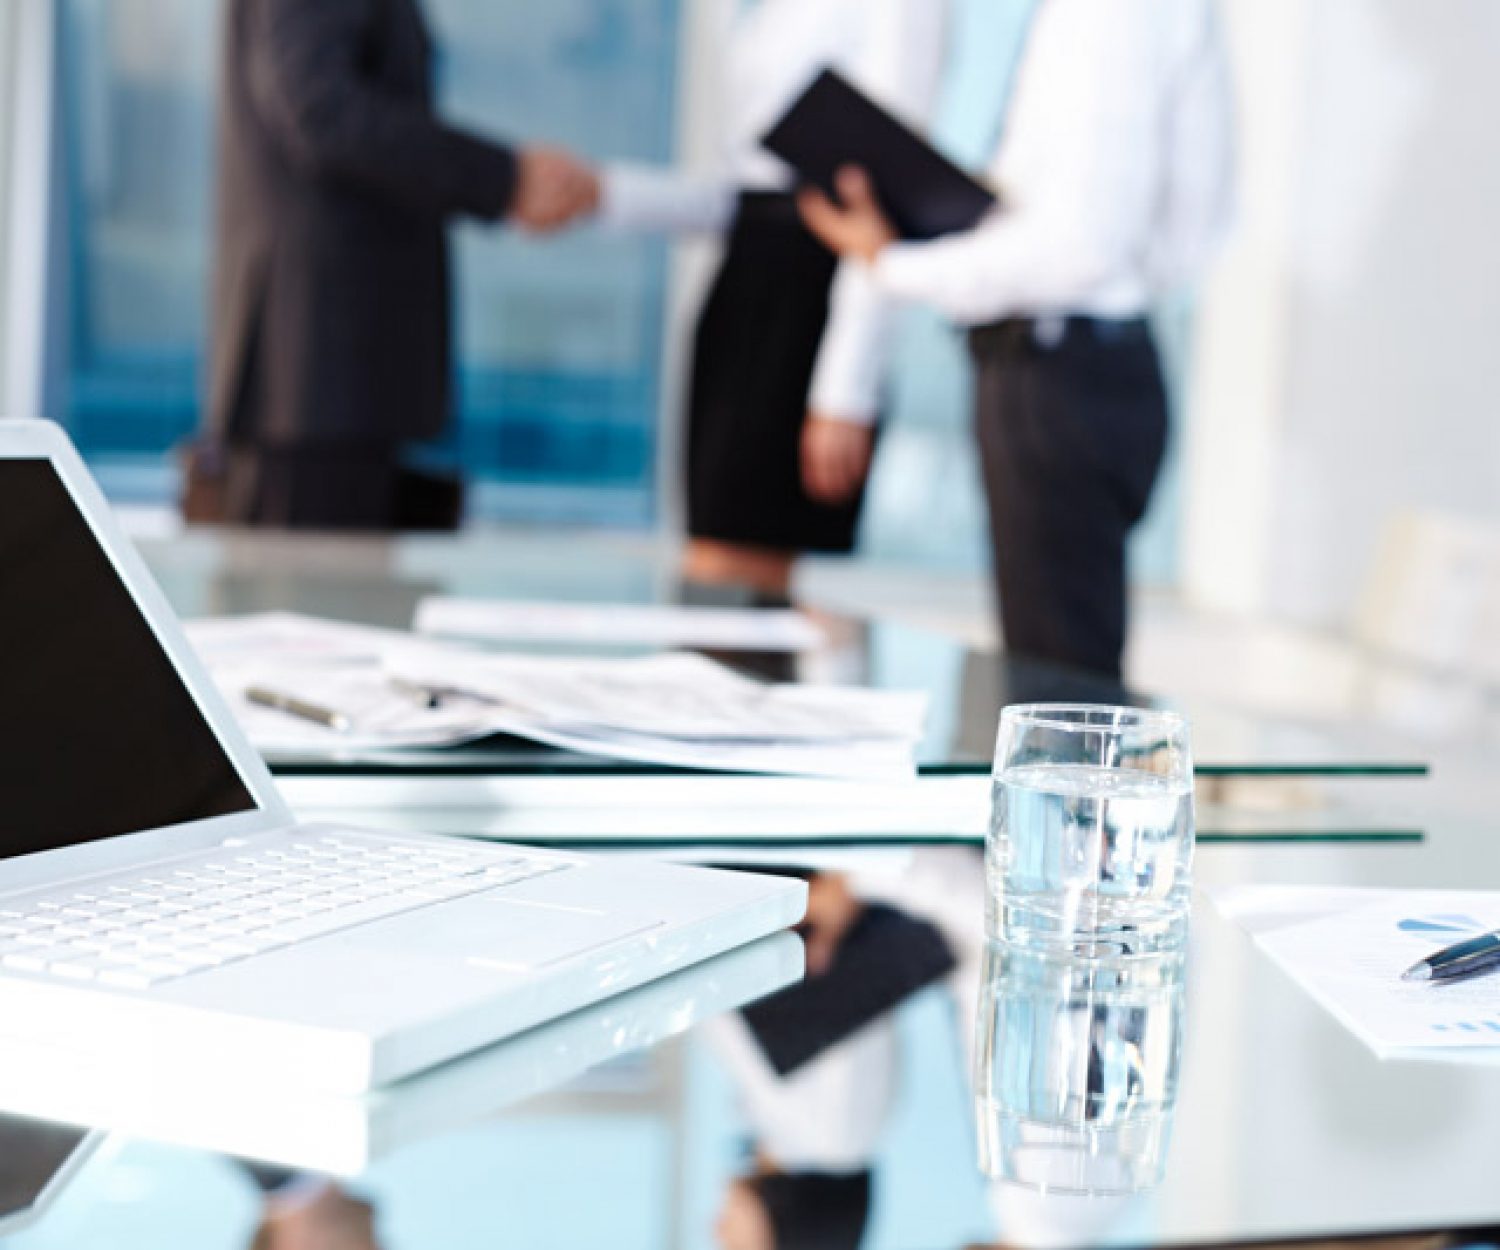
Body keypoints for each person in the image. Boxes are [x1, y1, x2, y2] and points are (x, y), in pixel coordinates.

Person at [801, 0, 1234, 677]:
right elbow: (1186, 227)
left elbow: (1082, 247)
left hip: (1058, 373)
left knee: (1060, 698)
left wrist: (893, 262)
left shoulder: (1109, 16)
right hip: (1081, 360)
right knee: (1057, 681)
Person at [596, 0, 950, 594]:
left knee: (743, 575)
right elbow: (751, 190)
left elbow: (878, 197)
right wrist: (607, 194)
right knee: (713, 561)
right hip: (745, 278)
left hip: (812, 295)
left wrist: (845, 387)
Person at [201, 0, 597, 530]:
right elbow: (321, 110)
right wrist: (502, 179)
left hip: (336, 378)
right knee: (308, 600)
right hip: (316, 376)